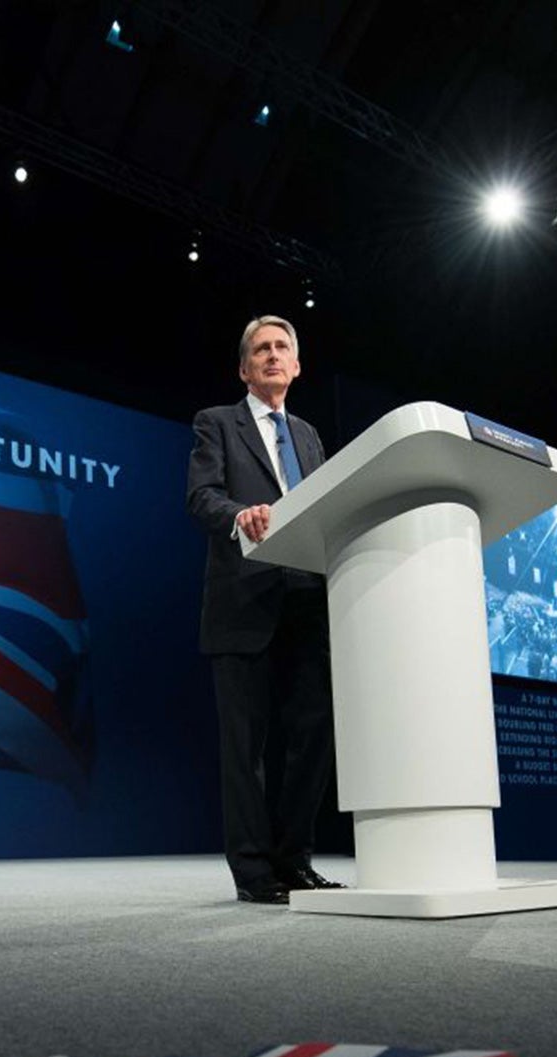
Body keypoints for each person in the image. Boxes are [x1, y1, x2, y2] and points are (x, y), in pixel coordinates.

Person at [186, 315, 343, 903]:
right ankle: (254, 873)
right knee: (245, 747)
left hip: (307, 600)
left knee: (311, 738)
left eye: (282, 348)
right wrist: (239, 515)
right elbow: (201, 497)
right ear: (244, 368)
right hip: (244, 601)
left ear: (297, 366)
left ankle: (294, 861)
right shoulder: (216, 424)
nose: (273, 355)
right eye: (261, 349)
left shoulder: (308, 435)